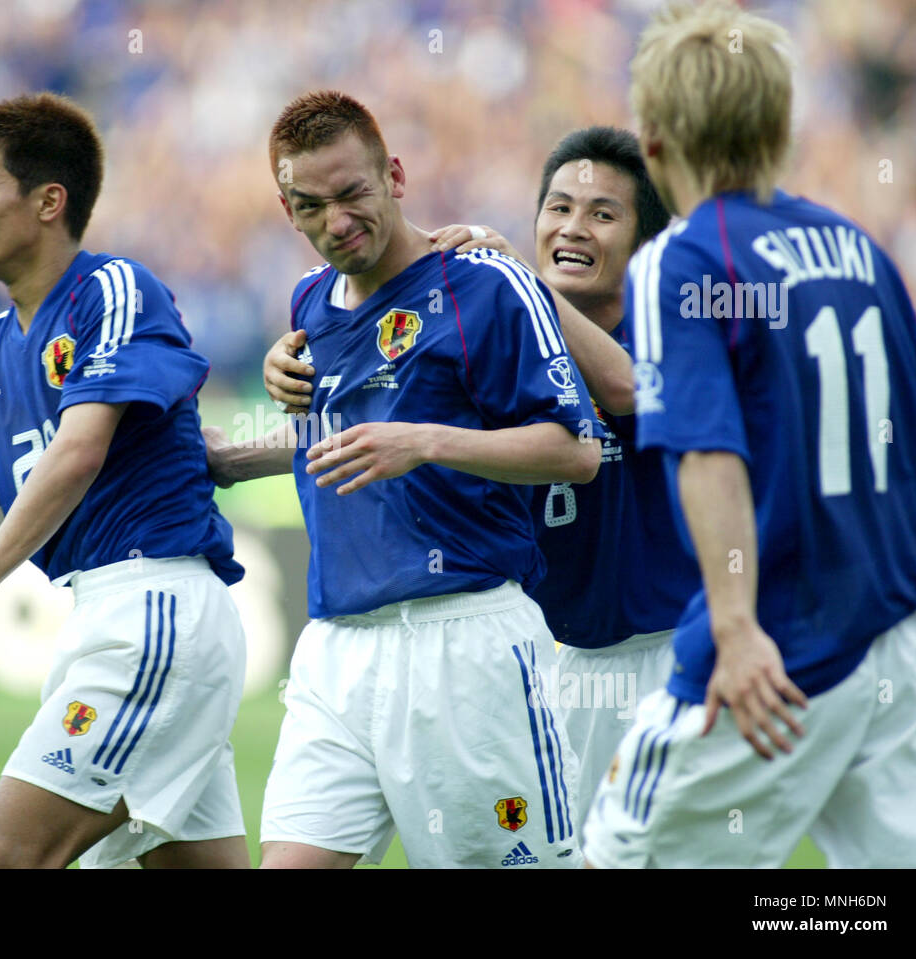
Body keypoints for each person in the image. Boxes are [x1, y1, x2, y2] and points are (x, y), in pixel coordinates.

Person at [581, 0, 916, 867]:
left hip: (781, 646)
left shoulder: (688, 257)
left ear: (654, 140)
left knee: (613, 860)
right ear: (782, 121)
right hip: (904, 631)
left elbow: (708, 451)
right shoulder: (859, 246)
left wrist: (736, 631)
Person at [207, 90, 601, 868]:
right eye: (310, 206)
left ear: (394, 174)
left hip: (467, 646)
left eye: (352, 194)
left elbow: (575, 449)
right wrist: (236, 458)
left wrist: (425, 441)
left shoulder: (485, 284)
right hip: (334, 653)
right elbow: (346, 437)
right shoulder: (309, 303)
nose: (336, 222)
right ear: (287, 211)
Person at [272, 126, 693, 843]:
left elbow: (624, 389)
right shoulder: (497, 324)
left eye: (602, 213)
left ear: (644, 240)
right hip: (554, 656)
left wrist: (520, 280)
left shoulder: (678, 325)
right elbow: (386, 421)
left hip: (662, 653)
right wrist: (256, 422)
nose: (571, 227)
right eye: (557, 207)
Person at [0, 92, 250, 869]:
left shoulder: (110, 291)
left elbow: (80, 449)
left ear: (49, 201)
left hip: (154, 610)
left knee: (6, 854)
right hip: (113, 618)